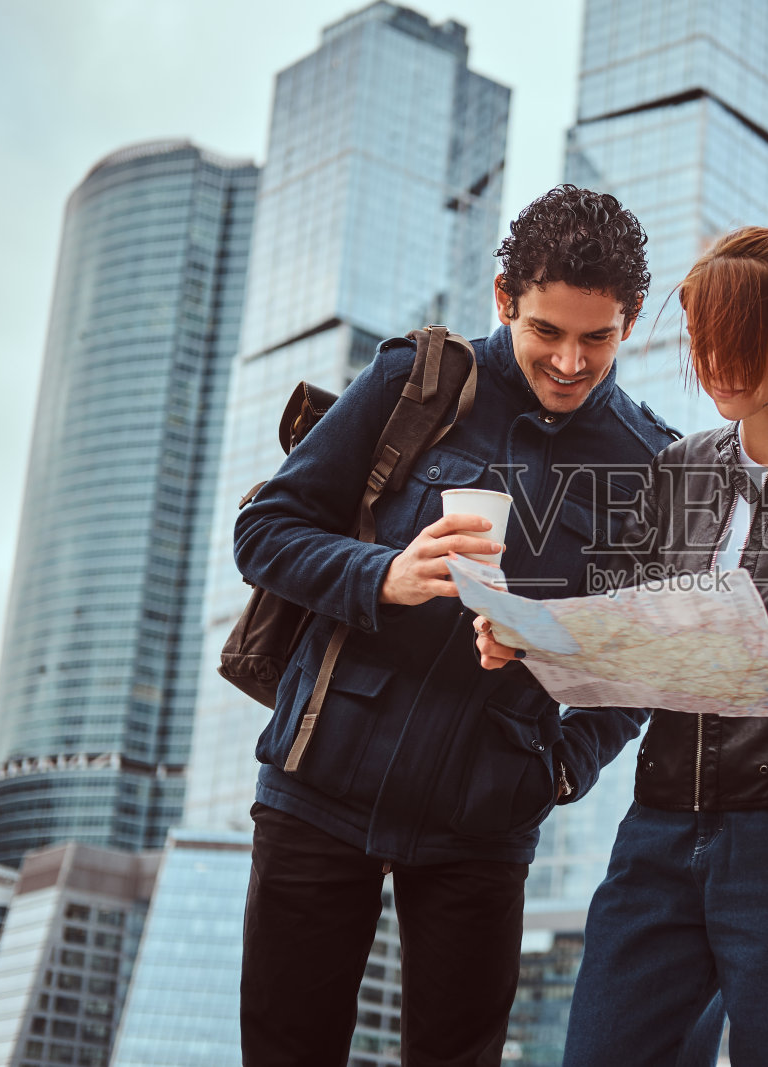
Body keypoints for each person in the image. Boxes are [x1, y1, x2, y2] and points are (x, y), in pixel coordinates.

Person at [233, 185, 681, 1067]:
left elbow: (639, 666)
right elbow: (265, 530)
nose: (568, 361)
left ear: (630, 320)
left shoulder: (650, 466)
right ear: (504, 295)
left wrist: (561, 768)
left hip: (484, 818)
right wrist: (385, 575)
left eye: (597, 338)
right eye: (547, 330)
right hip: (321, 782)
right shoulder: (418, 382)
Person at [476, 226, 768, 1066]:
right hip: (660, 827)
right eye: (702, 344)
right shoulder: (677, 469)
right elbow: (622, 622)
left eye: (738, 342)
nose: (717, 365)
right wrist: (534, 635)